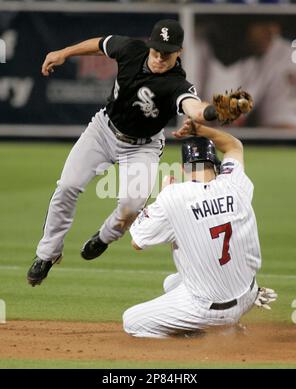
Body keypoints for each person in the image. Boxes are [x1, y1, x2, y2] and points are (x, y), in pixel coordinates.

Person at [27, 19, 221, 287]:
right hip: (103, 130)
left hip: (143, 146)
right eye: (156, 51)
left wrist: (212, 111)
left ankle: (104, 237)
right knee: (67, 186)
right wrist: (63, 53)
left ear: (179, 52)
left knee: (131, 208)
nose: (160, 58)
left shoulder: (177, 84)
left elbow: (194, 107)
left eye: (167, 53)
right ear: (149, 45)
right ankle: (47, 254)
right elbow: (98, 45)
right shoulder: (130, 50)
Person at [124, 123, 277, 338]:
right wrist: (199, 128)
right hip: (249, 293)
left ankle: (207, 334)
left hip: (209, 310)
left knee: (131, 321)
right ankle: (228, 321)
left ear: (182, 169)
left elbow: (138, 242)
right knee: (172, 283)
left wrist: (163, 195)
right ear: (215, 165)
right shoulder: (234, 183)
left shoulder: (174, 196)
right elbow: (234, 146)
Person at [196, 20, 296, 129]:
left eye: (274, 20)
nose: (273, 30)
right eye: (261, 21)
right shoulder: (189, 44)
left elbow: (285, 130)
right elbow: (181, 127)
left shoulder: (282, 53)